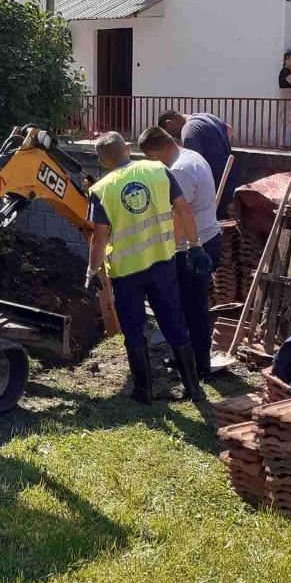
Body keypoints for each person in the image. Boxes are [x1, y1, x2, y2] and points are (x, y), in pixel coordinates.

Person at [85, 131, 213, 405]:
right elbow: (183, 210)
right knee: (175, 323)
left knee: (133, 329)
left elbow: (99, 237)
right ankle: (194, 389)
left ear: (103, 161)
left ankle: (144, 391)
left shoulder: (102, 189)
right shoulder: (159, 171)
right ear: (127, 149)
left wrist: (92, 271)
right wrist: (195, 245)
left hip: (126, 272)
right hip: (162, 264)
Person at [138, 126, 222, 379]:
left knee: (191, 307)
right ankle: (188, 360)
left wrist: (168, 250)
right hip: (207, 239)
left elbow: (179, 215)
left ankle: (197, 366)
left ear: (154, 152)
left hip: (193, 248)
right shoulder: (193, 157)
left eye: (150, 158)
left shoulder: (179, 170)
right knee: (190, 306)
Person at [157, 109, 234, 219]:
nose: (175, 138)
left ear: (169, 123)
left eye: (171, 134)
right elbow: (229, 129)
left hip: (214, 186)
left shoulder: (189, 131)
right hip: (228, 178)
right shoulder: (207, 116)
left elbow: (190, 167)